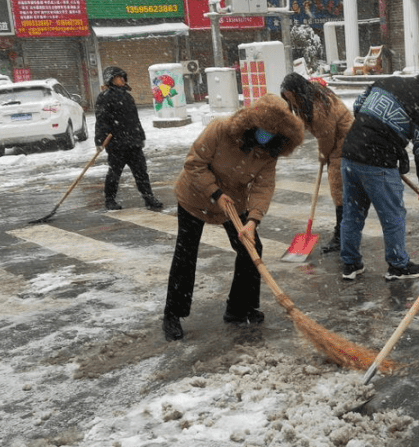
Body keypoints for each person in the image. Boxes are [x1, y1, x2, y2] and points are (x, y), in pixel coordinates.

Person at [161, 94, 304, 341]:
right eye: (263, 130)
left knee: (251, 247)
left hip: (233, 202)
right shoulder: (220, 130)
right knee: (186, 253)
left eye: (272, 133)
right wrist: (215, 193)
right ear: (252, 123)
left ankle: (239, 308)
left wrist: (252, 221)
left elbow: (263, 187)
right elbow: (194, 164)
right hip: (195, 196)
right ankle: (172, 314)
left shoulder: (270, 151)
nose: (265, 136)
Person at [339, 66, 419, 281]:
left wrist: (377, 130)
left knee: (353, 213)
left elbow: (358, 105)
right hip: (378, 161)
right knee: (393, 215)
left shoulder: (389, 80)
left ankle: (350, 263)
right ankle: (398, 265)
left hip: (350, 154)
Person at [279, 72, 353, 254]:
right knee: (341, 191)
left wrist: (323, 155)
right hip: (340, 142)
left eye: (291, 97)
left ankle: (341, 236)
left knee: (338, 190)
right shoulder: (310, 98)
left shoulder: (318, 105)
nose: (292, 103)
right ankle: (344, 233)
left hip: (344, 143)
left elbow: (326, 136)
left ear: (298, 92)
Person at [94, 66, 163, 212]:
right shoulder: (105, 97)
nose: (123, 80)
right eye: (120, 77)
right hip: (116, 144)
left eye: (123, 77)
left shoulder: (127, 96)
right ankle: (110, 199)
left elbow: (135, 120)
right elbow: (101, 121)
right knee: (114, 173)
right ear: (111, 80)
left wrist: (140, 135)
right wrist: (100, 141)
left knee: (141, 172)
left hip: (133, 143)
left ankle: (148, 197)